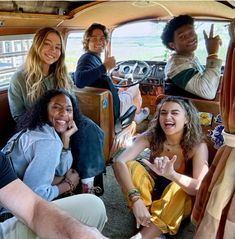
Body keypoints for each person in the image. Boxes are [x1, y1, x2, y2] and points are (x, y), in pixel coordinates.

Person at [8, 27, 105, 193]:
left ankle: (87, 182)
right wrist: (49, 123)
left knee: (90, 129)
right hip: (37, 128)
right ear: (37, 46)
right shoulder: (20, 78)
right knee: (77, 132)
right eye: (47, 44)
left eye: (58, 47)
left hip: (63, 123)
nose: (53, 51)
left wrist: (66, 121)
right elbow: (18, 117)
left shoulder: (61, 74)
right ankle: (74, 183)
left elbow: (72, 105)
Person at [112, 95, 209, 239]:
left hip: (180, 201)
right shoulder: (151, 136)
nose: (167, 117)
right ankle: (145, 216)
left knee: (178, 190)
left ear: (187, 119)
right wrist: (136, 200)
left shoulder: (198, 146)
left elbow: (199, 188)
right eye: (163, 113)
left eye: (174, 113)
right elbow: (118, 162)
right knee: (131, 166)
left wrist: (172, 175)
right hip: (151, 193)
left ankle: (144, 235)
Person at [1, 89, 82, 214]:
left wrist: (66, 140)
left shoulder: (38, 129)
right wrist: (68, 185)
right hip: (6, 209)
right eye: (56, 107)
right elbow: (36, 195)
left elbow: (60, 170)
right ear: (45, 110)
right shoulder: (48, 142)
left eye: (68, 109)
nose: (64, 113)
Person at [0, 151, 108, 239]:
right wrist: (67, 185)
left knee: (93, 205)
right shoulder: (48, 143)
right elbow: (37, 191)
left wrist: (76, 231)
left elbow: (32, 209)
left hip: (11, 213)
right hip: (10, 214)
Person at [73, 23, 150, 124]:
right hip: (115, 109)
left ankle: (135, 115)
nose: (98, 42)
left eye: (101, 38)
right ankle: (137, 116)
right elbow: (79, 80)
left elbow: (99, 82)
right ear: (87, 42)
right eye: (94, 38)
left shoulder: (94, 59)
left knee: (124, 88)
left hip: (108, 103)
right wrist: (105, 67)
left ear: (105, 42)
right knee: (135, 87)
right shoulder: (87, 58)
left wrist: (116, 89)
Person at [161, 15, 222, 100]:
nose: (190, 38)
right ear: (172, 45)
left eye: (191, 32)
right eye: (182, 36)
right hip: (191, 111)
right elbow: (208, 92)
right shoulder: (177, 66)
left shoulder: (188, 58)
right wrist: (213, 54)